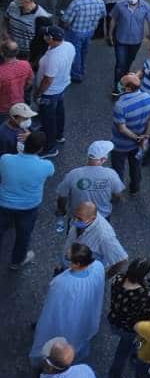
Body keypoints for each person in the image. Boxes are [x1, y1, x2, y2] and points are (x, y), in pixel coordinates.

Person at [30, 242, 106, 363]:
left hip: (66, 318)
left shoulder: (62, 283)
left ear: (77, 264)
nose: (66, 261)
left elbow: (52, 309)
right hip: (85, 314)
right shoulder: (98, 266)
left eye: (68, 258)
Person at [0, 131, 56, 269]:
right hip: (28, 206)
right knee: (23, 235)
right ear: (41, 149)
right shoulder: (46, 165)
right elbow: (51, 173)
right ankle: (17, 261)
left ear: (24, 144)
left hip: (4, 203)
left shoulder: (5, 159)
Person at [102, 257, 150, 378]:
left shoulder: (118, 279)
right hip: (131, 329)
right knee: (121, 354)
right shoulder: (145, 295)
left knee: (127, 346)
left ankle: (134, 352)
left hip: (115, 320)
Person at [110, 74, 150, 194]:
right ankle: (135, 188)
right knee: (136, 166)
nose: (119, 85)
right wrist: (145, 136)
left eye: (122, 83)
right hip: (139, 143)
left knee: (118, 169)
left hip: (121, 144)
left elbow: (122, 128)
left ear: (128, 88)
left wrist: (136, 138)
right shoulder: (148, 97)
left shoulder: (120, 105)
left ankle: (117, 191)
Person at [35, 26, 74, 158]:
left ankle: (50, 148)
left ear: (50, 39)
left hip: (50, 92)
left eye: (46, 35)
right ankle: (59, 135)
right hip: (62, 85)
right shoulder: (68, 46)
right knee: (59, 111)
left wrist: (38, 93)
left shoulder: (53, 58)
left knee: (48, 120)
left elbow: (47, 80)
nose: (44, 37)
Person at [61, 201, 128, 276]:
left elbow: (121, 260)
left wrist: (104, 278)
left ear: (92, 219)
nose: (75, 220)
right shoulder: (83, 217)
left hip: (83, 275)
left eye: (79, 219)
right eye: (75, 216)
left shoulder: (104, 236)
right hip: (69, 266)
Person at [108, 0, 150, 88]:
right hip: (121, 39)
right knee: (120, 64)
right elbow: (113, 19)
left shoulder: (146, 7)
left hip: (136, 41)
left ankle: (125, 79)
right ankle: (117, 86)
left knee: (128, 62)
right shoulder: (120, 5)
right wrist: (110, 34)